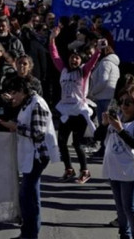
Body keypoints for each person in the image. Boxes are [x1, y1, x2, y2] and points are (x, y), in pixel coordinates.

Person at [0, 75, 60, 239]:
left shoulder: (37, 103)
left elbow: (37, 133)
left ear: (22, 91)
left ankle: (30, 233)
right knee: (30, 195)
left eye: (13, 93)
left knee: (27, 196)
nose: (11, 97)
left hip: (37, 155)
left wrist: (16, 127)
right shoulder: (26, 103)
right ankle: (29, 232)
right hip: (30, 155)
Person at [50, 25, 101, 184]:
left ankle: (85, 171)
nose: (74, 59)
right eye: (72, 57)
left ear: (80, 60)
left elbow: (92, 62)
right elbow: (54, 55)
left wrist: (98, 50)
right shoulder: (63, 70)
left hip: (78, 112)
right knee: (62, 142)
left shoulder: (83, 71)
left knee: (77, 143)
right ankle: (69, 169)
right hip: (66, 111)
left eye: (77, 58)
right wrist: (52, 38)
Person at [102, 85, 134, 239]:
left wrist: (120, 129)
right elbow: (98, 137)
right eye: (122, 102)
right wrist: (104, 124)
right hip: (114, 168)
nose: (123, 106)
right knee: (120, 208)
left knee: (130, 207)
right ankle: (124, 235)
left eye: (128, 103)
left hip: (131, 170)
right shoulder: (119, 117)